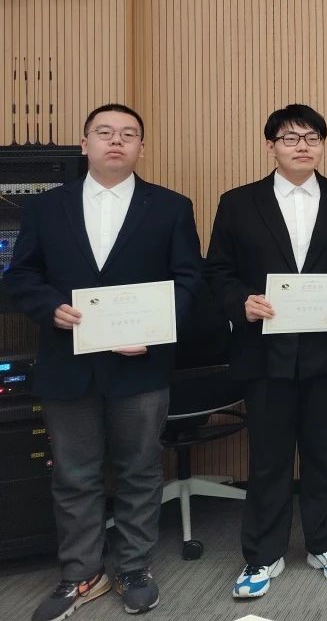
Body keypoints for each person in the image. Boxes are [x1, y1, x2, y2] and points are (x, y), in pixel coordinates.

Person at [4, 103, 202, 620]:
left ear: (142, 147)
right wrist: (50, 308)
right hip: (68, 361)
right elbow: (21, 275)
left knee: (140, 470)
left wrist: (154, 330)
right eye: (105, 132)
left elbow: (188, 279)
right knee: (74, 474)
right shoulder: (47, 207)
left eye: (128, 134)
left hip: (141, 364)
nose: (117, 141)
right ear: (85, 143)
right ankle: (80, 572)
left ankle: (134, 566)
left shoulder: (171, 207)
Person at [205, 104, 327, 598]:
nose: (302, 146)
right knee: (269, 456)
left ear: (322, 145)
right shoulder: (238, 203)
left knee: (325, 450)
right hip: (264, 349)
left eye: (312, 137)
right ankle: (263, 552)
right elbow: (217, 271)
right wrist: (241, 302)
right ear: (270, 146)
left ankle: (325, 542)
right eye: (290, 138)